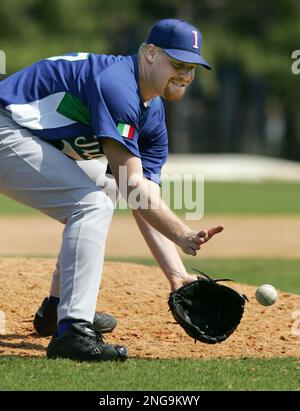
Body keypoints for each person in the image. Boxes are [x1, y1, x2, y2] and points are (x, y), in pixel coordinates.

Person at [0, 18, 223, 362]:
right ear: (150, 53)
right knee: (91, 205)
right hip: (6, 127)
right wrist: (183, 233)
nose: (186, 75)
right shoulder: (118, 85)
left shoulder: (152, 116)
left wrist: (176, 274)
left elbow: (139, 197)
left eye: (193, 67)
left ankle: (58, 308)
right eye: (178, 63)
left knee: (103, 192)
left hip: (26, 136)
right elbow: (134, 184)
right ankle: (72, 333)